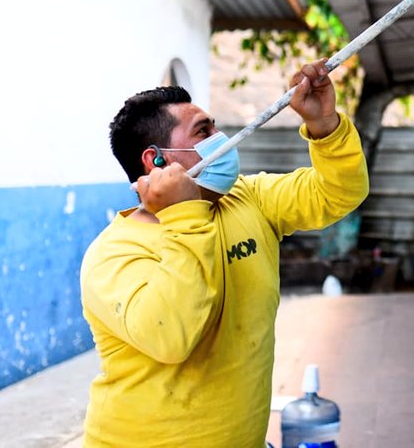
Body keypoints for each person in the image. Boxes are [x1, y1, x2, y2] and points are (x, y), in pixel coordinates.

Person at [79, 59, 369, 447]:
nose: (224, 137)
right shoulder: (113, 255)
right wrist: (184, 212)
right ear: (156, 160)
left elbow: (339, 193)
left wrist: (324, 124)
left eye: (214, 125)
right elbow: (172, 336)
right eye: (204, 131)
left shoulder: (247, 199)